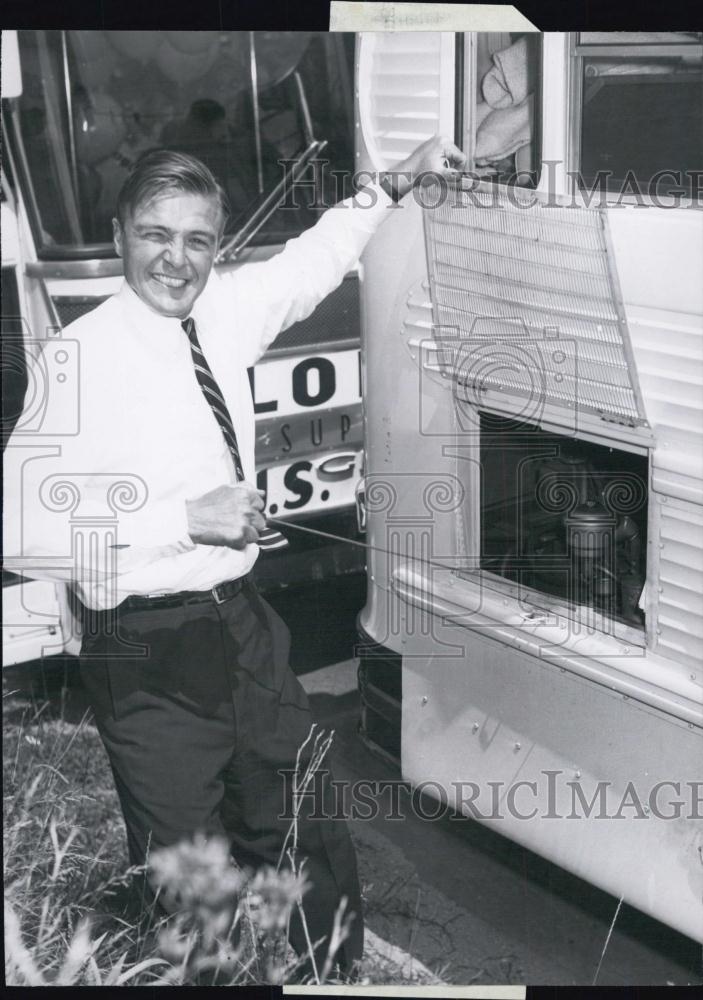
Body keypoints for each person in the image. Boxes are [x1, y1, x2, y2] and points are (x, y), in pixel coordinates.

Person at [3, 136, 465, 979]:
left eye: (198, 240)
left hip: (245, 629)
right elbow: (19, 524)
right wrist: (182, 517)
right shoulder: (77, 360)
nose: (175, 260)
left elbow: (313, 258)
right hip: (146, 655)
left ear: (215, 246)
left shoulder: (221, 310)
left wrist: (396, 180)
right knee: (194, 888)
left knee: (306, 828)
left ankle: (334, 975)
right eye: (156, 235)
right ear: (119, 237)